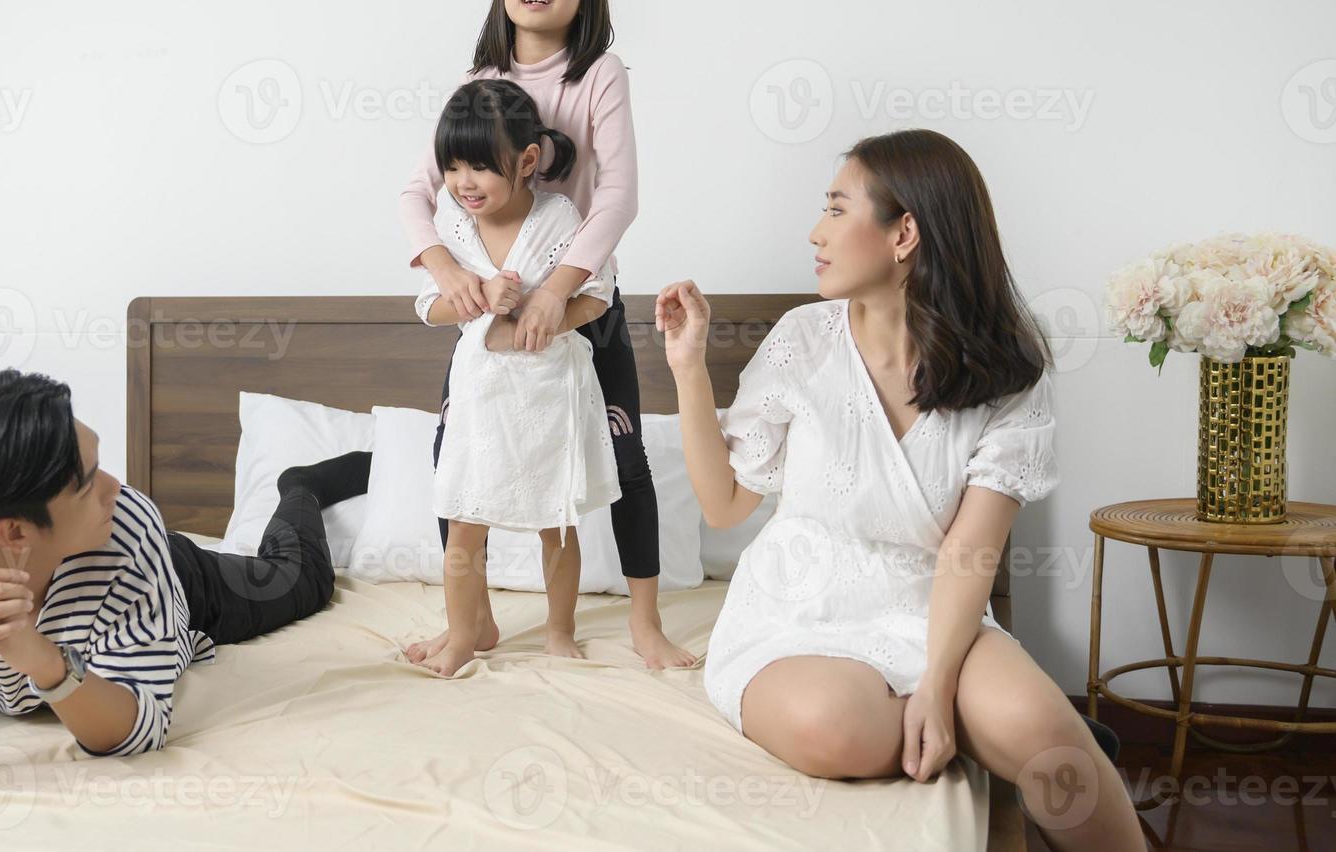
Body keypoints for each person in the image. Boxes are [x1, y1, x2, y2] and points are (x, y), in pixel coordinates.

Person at [659, 129, 1144, 851]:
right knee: (836, 728)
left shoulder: (1006, 370)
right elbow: (726, 504)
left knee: (1053, 744)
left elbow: (970, 555)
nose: (814, 233)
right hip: (799, 604)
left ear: (904, 233)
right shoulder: (803, 339)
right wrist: (689, 369)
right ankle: (988, 736)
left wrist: (941, 688)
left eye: (835, 209)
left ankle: (1016, 733)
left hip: (932, 603)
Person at [0, 369, 359, 780]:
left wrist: (40, 659)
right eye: (89, 483)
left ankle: (301, 486)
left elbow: (136, 729)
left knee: (301, 580)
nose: (116, 486)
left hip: (174, 578)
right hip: (86, 581)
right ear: (15, 532)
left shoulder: (128, 521)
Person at [406, 79, 621, 677]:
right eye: (451, 167)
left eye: (480, 166)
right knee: (463, 524)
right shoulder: (449, 226)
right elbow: (430, 307)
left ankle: (559, 631)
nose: (464, 182)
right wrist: (476, 298)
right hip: (482, 395)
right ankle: (465, 633)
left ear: (528, 161)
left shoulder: (559, 217)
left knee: (557, 522)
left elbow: (598, 295)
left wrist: (549, 317)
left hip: (551, 392)